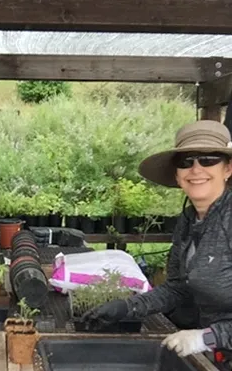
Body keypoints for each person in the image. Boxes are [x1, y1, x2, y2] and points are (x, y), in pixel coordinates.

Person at [81, 120, 232, 357]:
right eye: (186, 161)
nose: (196, 169)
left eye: (208, 159)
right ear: (177, 174)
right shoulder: (188, 221)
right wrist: (128, 307)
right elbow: (177, 288)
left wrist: (208, 337)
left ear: (227, 169)